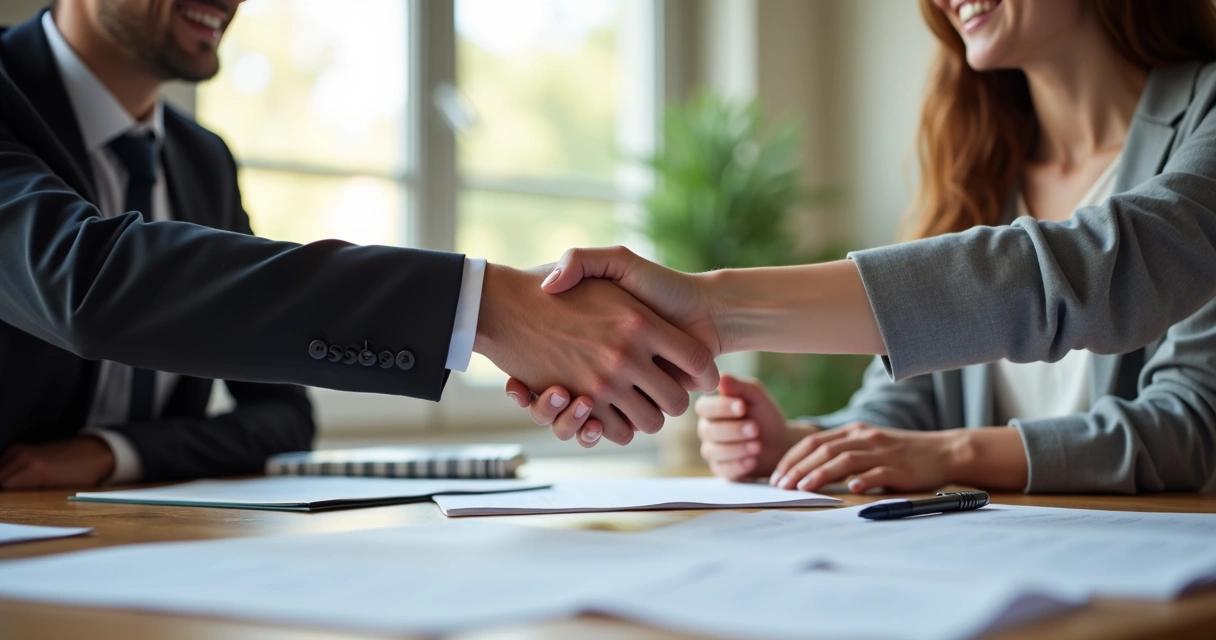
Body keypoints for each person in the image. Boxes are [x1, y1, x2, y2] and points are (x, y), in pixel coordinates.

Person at [0, 0, 720, 487]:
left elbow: (282, 416)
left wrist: (111, 454)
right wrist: (485, 306)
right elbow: (87, 283)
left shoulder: (200, 159)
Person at [511, 0, 1216, 494]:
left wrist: (951, 455)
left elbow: (1186, 425)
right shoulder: (982, 168)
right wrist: (795, 443)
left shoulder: (1203, 124)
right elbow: (904, 409)